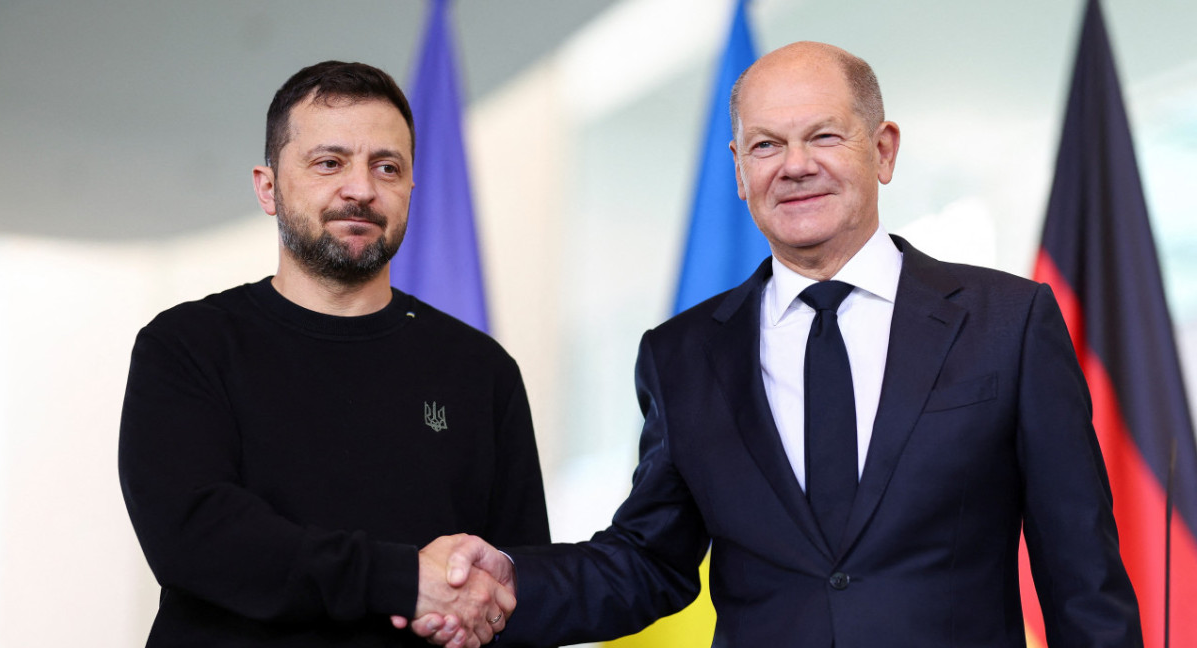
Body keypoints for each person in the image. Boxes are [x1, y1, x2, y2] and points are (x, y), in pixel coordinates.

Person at [407, 41, 1143, 647]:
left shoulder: (1007, 321)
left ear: (882, 150)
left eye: (823, 135)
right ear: (738, 169)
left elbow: (1082, 576)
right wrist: (499, 590)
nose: (794, 165)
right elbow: (645, 564)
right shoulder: (683, 356)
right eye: (766, 144)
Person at [118, 61, 550, 648]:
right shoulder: (188, 345)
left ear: (410, 191)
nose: (361, 188)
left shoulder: (481, 370)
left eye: (387, 167)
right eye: (329, 162)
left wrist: (475, 599)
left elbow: (513, 588)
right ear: (267, 186)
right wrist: (402, 580)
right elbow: (196, 539)